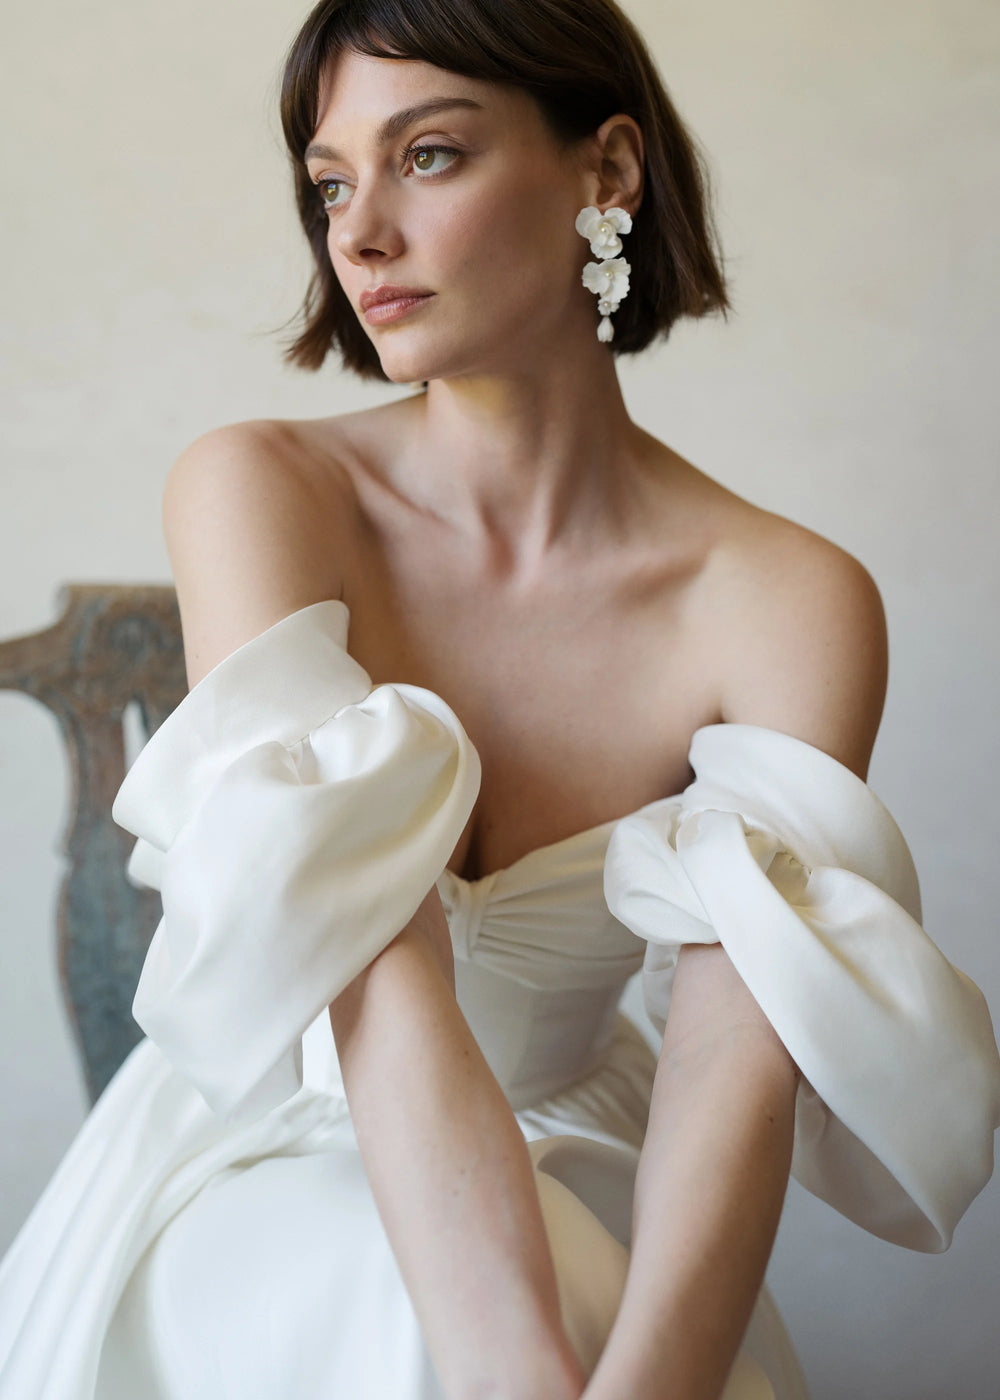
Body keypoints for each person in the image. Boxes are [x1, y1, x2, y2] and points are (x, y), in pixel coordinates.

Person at [1, 1, 998, 1397]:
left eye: (429, 156)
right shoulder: (262, 488)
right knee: (368, 1283)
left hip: (600, 1159)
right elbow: (371, 960)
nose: (357, 234)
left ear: (607, 171)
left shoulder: (790, 597)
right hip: (276, 1141)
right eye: (332, 181)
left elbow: (735, 1055)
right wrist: (518, 1373)